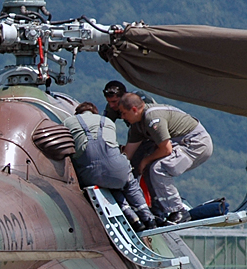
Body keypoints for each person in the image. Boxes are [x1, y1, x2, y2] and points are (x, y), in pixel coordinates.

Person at [118, 93, 213, 225]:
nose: (122, 117)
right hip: (181, 143)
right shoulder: (137, 126)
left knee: (159, 168)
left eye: (124, 113)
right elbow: (128, 153)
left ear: (134, 110)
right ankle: (158, 210)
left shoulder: (152, 118)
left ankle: (179, 211)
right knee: (149, 167)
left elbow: (166, 149)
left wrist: (145, 160)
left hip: (196, 144)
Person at [64, 102, 155, 232]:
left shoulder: (68, 122)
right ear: (95, 112)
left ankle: (132, 217)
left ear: (78, 114)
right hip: (117, 169)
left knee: (107, 186)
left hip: (89, 174)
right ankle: (148, 218)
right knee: (129, 185)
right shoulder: (107, 121)